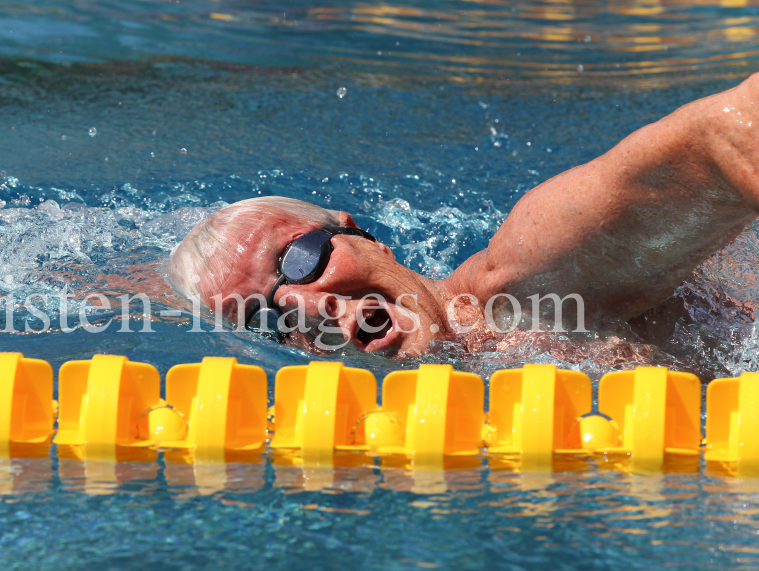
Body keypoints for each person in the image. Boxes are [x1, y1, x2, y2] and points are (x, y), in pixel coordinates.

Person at [165, 74, 759, 359]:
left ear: (364, 236)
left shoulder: (530, 286)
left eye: (300, 259)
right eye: (263, 317)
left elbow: (727, 137)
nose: (303, 305)